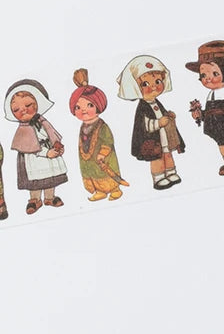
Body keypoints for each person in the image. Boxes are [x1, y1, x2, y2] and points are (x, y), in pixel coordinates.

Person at [117, 55, 185, 190]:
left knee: (168, 155)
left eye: (158, 81)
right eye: (145, 84)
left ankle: (171, 173)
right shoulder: (142, 107)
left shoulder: (157, 102)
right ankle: (159, 177)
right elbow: (144, 125)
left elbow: (161, 115)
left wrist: (168, 117)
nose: (153, 86)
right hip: (152, 140)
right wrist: (159, 123)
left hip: (164, 137)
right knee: (157, 158)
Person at [4, 79, 68, 215]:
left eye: (28, 105)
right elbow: (29, 147)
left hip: (50, 153)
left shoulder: (43, 122)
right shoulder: (23, 129)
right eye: (16, 109)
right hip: (34, 158)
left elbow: (52, 135)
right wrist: (46, 153)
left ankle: (50, 197)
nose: (23, 110)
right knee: (35, 180)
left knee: (50, 177)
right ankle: (35, 199)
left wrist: (58, 147)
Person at [186, 40, 224, 176]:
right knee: (222, 144)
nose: (208, 79)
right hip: (216, 126)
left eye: (214, 74)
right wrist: (200, 115)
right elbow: (209, 111)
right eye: (203, 75)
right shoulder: (210, 95)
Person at [70, 68, 129, 201]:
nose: (83, 110)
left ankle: (115, 189)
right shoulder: (83, 126)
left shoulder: (102, 126)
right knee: (92, 173)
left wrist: (103, 153)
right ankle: (99, 191)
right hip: (88, 159)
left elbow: (108, 141)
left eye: (89, 105)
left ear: (98, 106)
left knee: (106, 172)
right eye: (78, 107)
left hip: (103, 157)